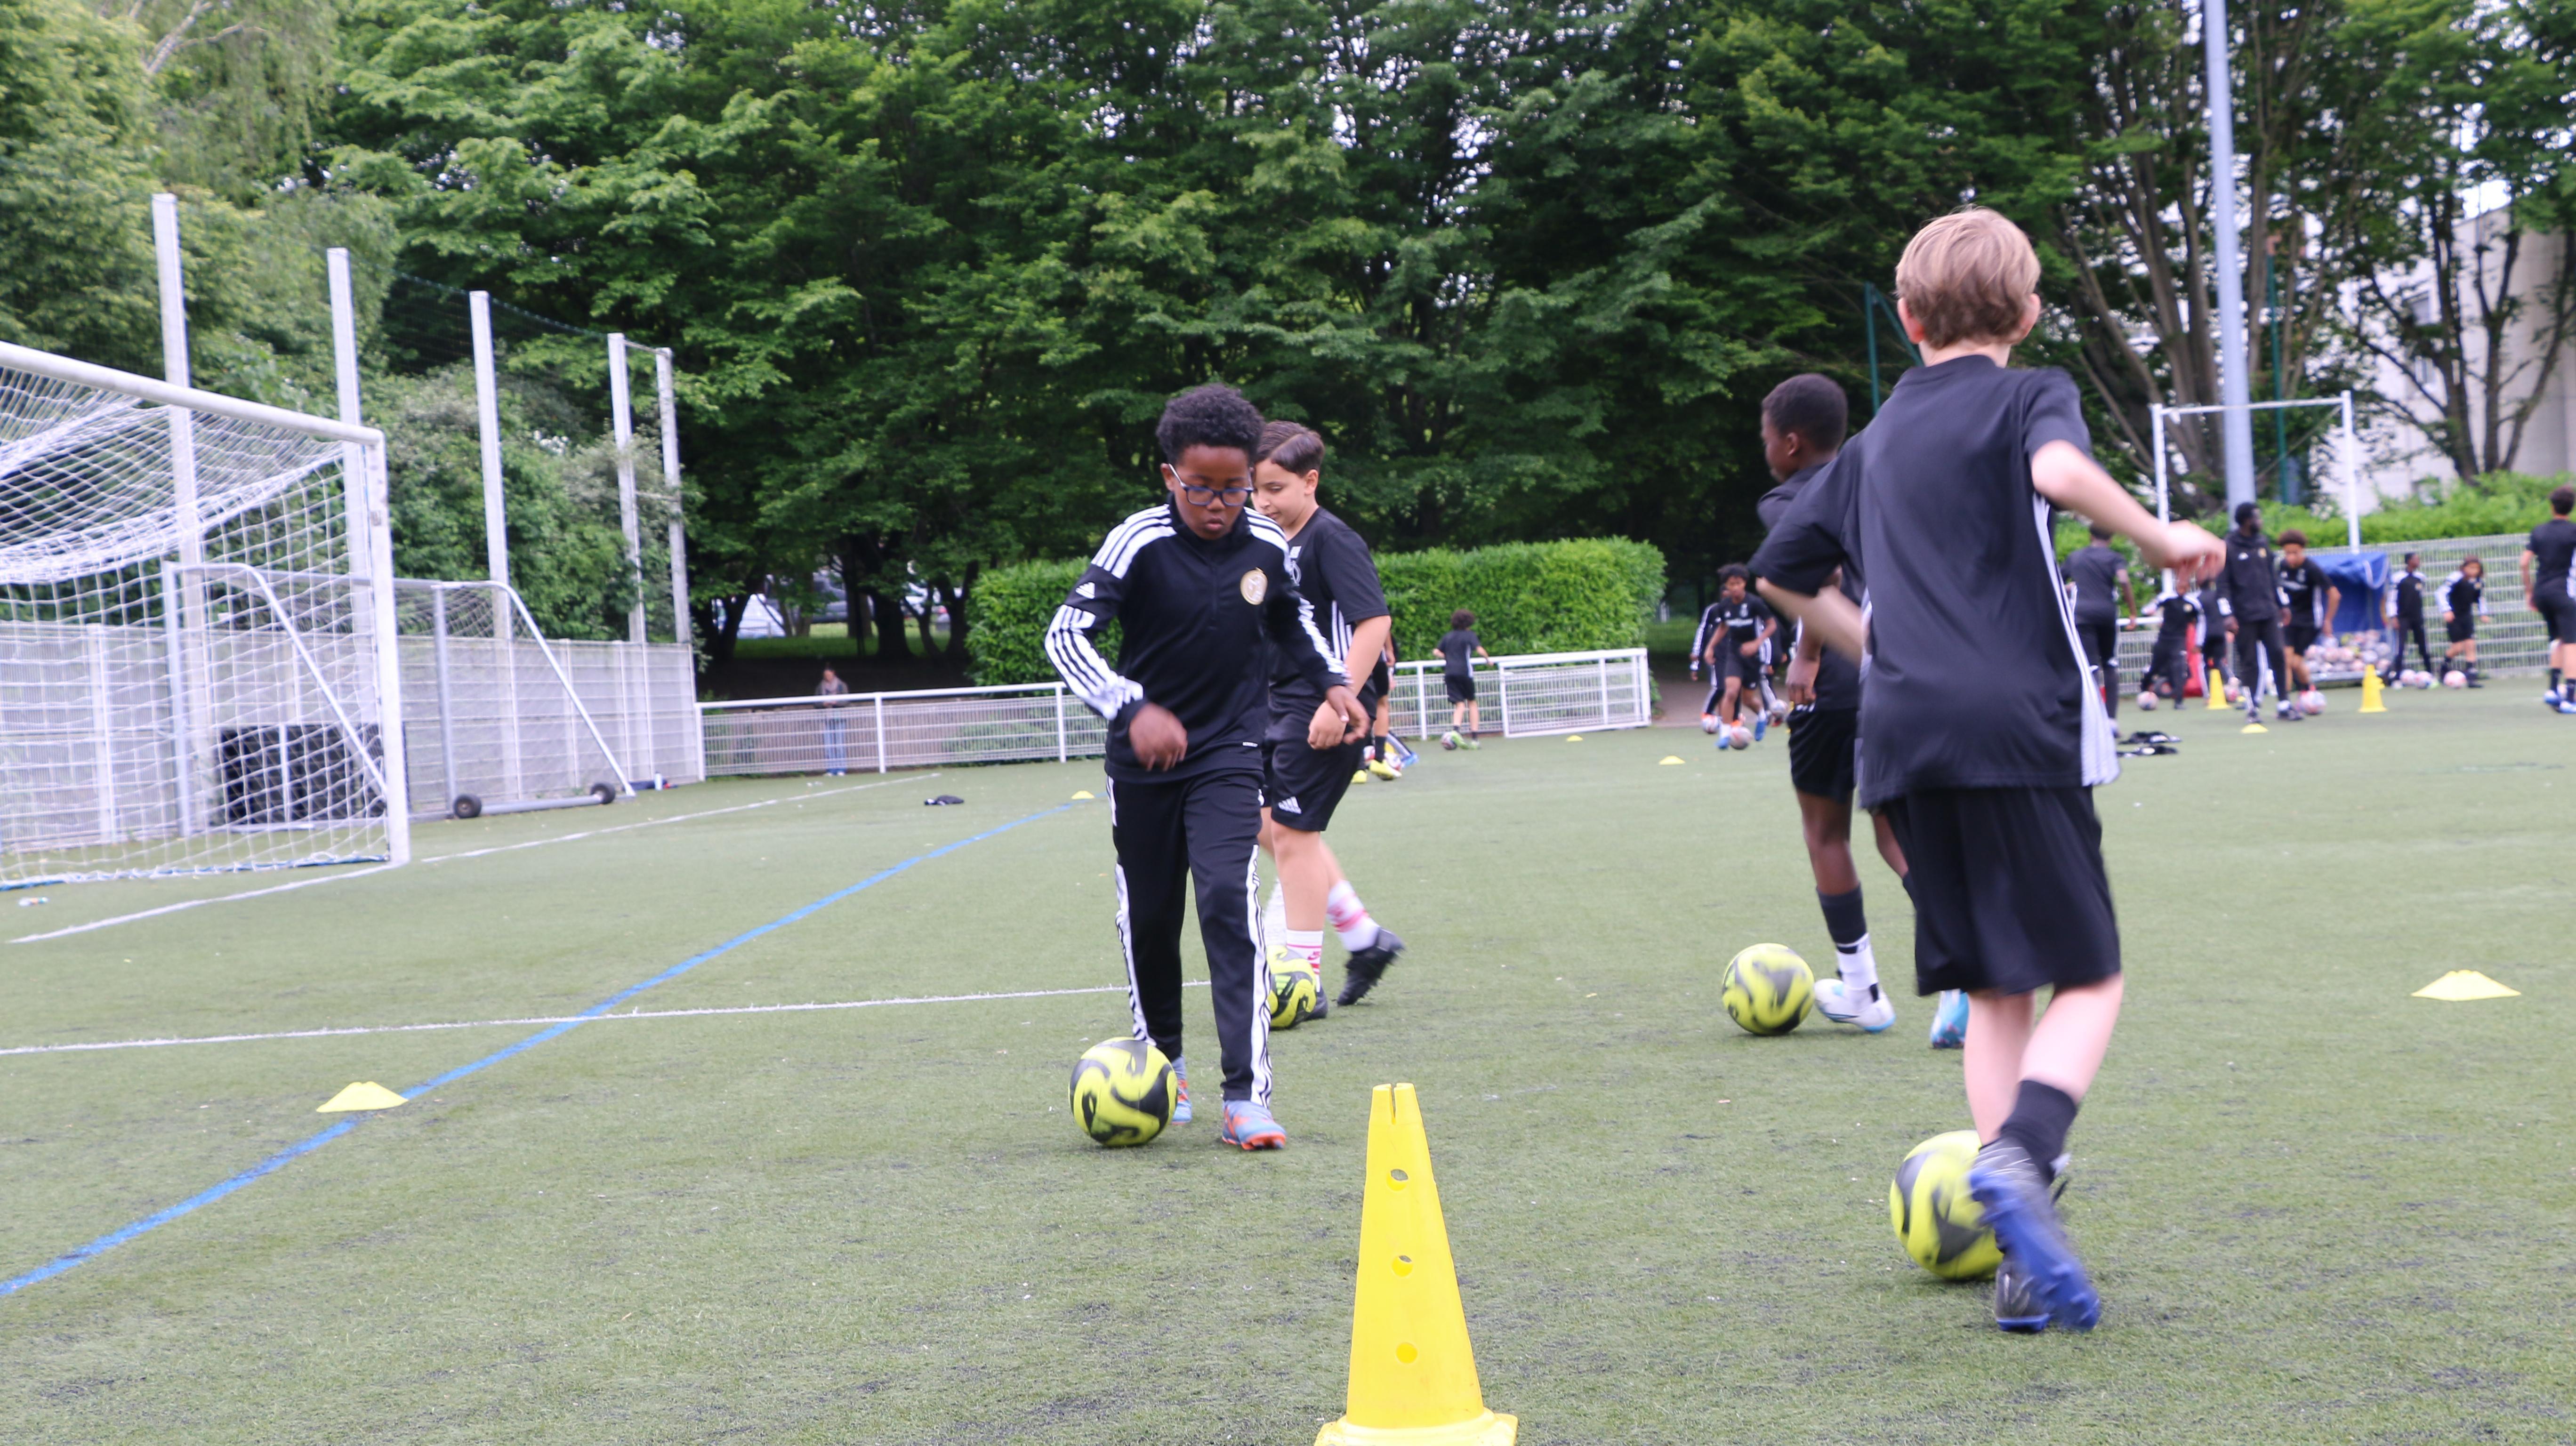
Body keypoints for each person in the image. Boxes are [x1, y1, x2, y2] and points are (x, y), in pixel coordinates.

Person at [1751, 207, 2223, 1334]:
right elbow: (2058, 469)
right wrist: (2159, 539)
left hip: (1901, 738)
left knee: (1994, 987)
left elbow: (1777, 569)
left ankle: (2015, 1260)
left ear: (1907, 319)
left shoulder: (1863, 448)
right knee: (2088, 974)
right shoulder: (2027, 395)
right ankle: (2022, 1155)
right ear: (2025, 314)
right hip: (2013, 726)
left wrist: (1882, 647)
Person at [1045, 383, 1367, 1151]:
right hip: (1142, 763)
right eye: (1201, 489)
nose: (1219, 504)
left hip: (1229, 751)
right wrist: (1130, 707)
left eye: (1234, 487)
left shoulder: (1264, 541)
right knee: (1152, 919)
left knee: (1226, 896)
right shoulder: (1138, 540)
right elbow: (1065, 637)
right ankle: (1165, 1065)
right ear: (1169, 477)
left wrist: (1332, 683)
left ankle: (1244, 1097)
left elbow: (1289, 619)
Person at [1754, 373, 1908, 1035]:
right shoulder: (1875, 483)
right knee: (1895, 831)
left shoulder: (1787, 498)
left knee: (1826, 833)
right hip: (1900, 674)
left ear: (1790, 443)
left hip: (1834, 685)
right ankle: (1969, 971)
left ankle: (1863, 991)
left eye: (1765, 438)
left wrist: (1808, 653)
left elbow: (1821, 576)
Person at [1246, 421, 1409, 1013]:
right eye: (1254, 488)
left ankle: (1301, 978)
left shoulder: (1332, 539)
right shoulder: (1266, 542)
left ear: (1310, 482)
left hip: (1326, 706)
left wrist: (1336, 700)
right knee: (1269, 823)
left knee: (1292, 834)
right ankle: (1364, 937)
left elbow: (1375, 623)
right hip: (1272, 706)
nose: (1262, 500)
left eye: (1275, 487)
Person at [2216, 502, 2299, 722]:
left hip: (2269, 612)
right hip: (2244, 616)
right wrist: (2227, 615)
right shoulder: (2229, 547)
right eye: (2257, 518)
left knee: (2278, 655)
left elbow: (2274, 578)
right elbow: (2222, 585)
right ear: (2247, 521)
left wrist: (2283, 605)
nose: (2260, 522)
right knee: (2250, 662)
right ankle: (2252, 708)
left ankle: (2284, 704)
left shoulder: (2262, 543)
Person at [1699, 566, 1778, 741]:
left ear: (1744, 583)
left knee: (1748, 699)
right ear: (1726, 585)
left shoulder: (1755, 603)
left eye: (1739, 583)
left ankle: (1762, 715)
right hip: (1734, 653)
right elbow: (1723, 627)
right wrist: (1710, 647)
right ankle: (1726, 734)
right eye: (1731, 584)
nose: (1735, 587)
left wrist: (1757, 643)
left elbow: (1772, 625)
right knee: (1731, 692)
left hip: (1753, 656)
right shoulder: (1724, 606)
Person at [2521, 486, 2576, 712]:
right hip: (2564, 592)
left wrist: (2529, 592)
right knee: (2573, 644)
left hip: (2542, 592)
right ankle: (2571, 697)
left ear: (2552, 506)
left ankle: (2553, 690)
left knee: (2559, 639)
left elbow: (2524, 562)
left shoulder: (2539, 531)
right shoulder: (2573, 531)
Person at [2275, 530, 2339, 693]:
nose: (2291, 557)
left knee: (2295, 663)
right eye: (2287, 553)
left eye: (2295, 553)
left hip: (2310, 621)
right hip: (2289, 619)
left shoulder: (2311, 568)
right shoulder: (2282, 566)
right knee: (2286, 660)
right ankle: (2287, 703)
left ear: (2302, 550)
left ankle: (2307, 689)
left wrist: (2328, 620)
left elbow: (2334, 595)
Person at [2143, 583, 2203, 704]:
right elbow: (2148, 608)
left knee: (2179, 669)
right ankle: (2144, 690)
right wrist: (2150, 610)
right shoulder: (2167, 598)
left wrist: (2199, 643)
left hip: (2179, 640)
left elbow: (2200, 621)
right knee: (2155, 667)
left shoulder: (2192, 603)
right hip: (2164, 639)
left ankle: (2179, 702)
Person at [1437, 612, 1490, 742]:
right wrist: (1488, 660)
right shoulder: (1470, 635)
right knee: (1472, 702)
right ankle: (1475, 738)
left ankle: (1456, 730)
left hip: (1450, 673)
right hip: (1464, 673)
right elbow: (1479, 650)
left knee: (1460, 704)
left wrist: (1449, 658)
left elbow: (1437, 651)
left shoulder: (1448, 636)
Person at [2383, 552, 2434, 682]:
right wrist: (2393, 616)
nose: (2418, 561)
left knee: (2423, 645)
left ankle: (2430, 673)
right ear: (2409, 561)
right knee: (2400, 647)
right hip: (2403, 617)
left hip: (2417, 617)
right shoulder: (2398, 578)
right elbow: (2392, 599)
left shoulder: (2421, 578)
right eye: (2416, 559)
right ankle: (2397, 677)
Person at [2441, 557, 2488, 685]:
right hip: (2454, 617)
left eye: (2476, 568)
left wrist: (2483, 614)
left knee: (2470, 645)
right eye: (2471, 568)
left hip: (2467, 617)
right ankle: (2444, 668)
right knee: (2458, 648)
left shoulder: (2478, 582)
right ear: (2464, 568)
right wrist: (2446, 610)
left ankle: (2471, 678)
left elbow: (2480, 599)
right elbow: (2441, 593)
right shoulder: (2456, 578)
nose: (2474, 571)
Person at [816, 665, 850, 775]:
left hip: (839, 717)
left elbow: (846, 701)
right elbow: (815, 703)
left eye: (829, 675)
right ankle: (831, 769)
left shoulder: (841, 686)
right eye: (826, 675)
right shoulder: (820, 687)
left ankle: (841, 768)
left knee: (839, 744)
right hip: (827, 718)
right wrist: (823, 704)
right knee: (828, 745)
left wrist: (836, 703)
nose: (827, 677)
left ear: (833, 673)